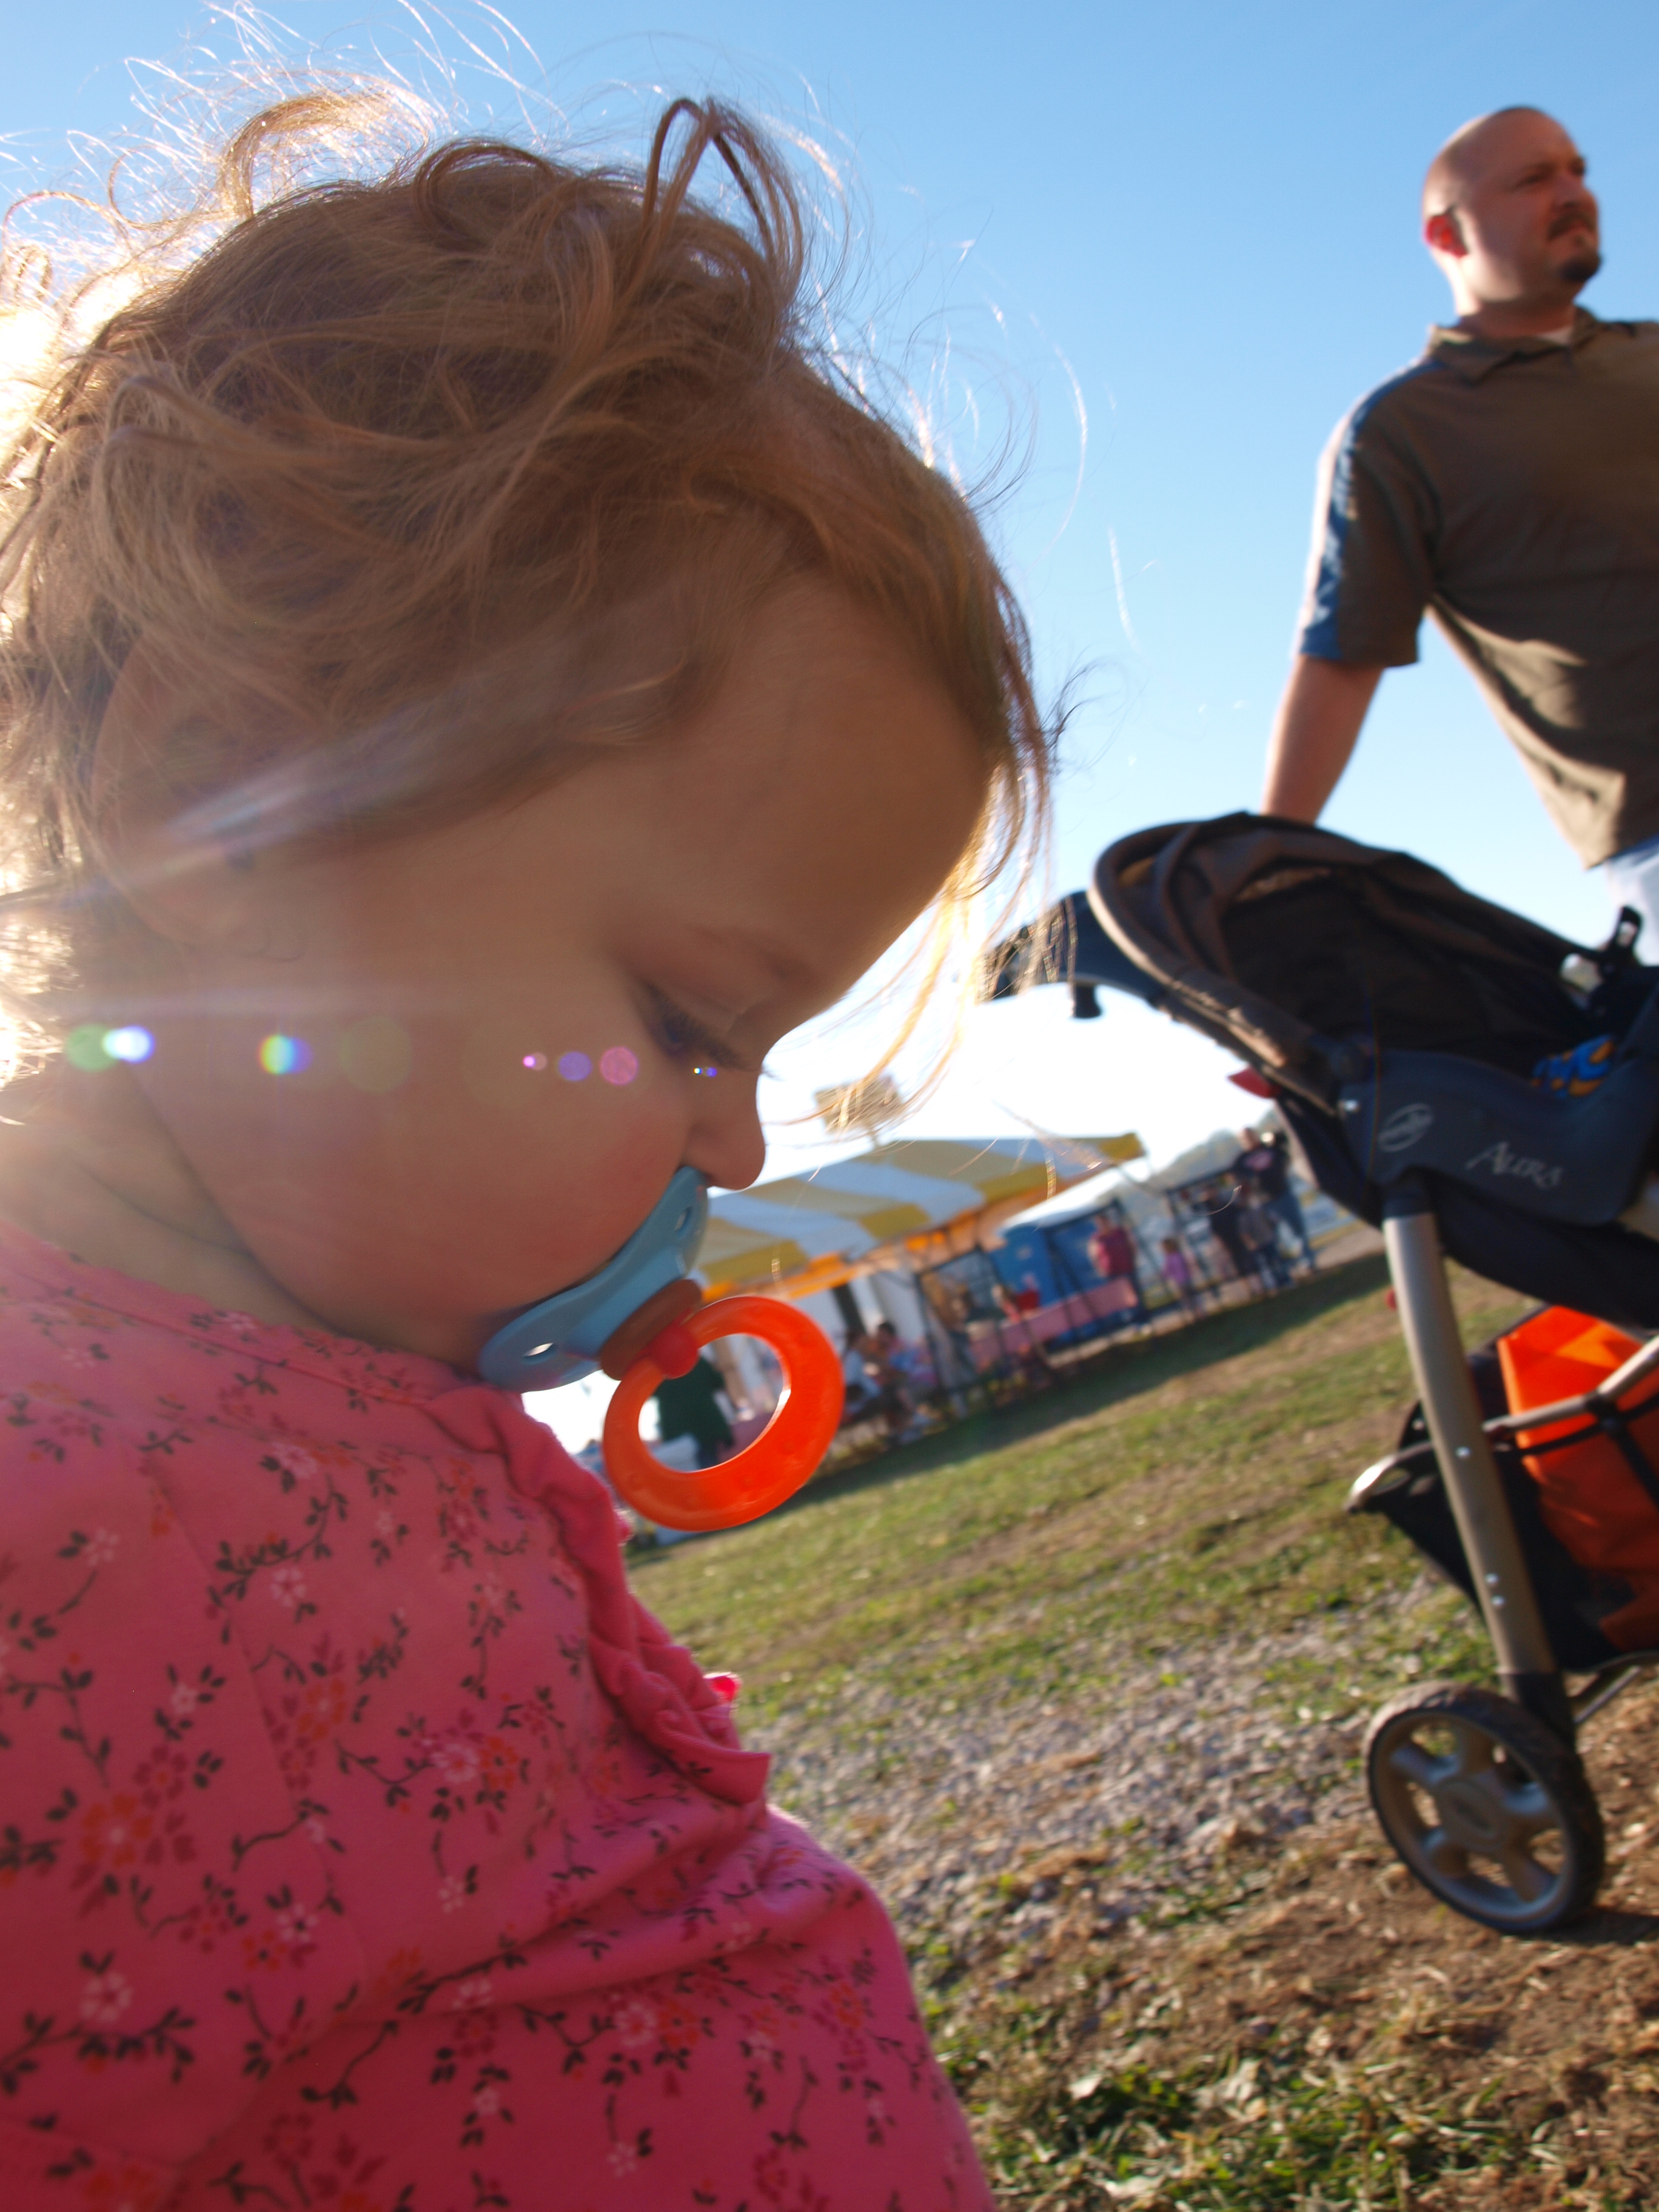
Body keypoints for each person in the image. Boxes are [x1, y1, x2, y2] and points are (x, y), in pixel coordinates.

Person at [0, 79, 1053, 2211]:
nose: (733, 1140)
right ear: (220, 805)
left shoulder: (326, 1362)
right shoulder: (53, 1516)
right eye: (686, 1020)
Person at [1261, 107, 1659, 950]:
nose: (1574, 192)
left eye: (1579, 169)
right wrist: (1260, 875)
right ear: (1447, 234)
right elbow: (1343, 659)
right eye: (1535, 179)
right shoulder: (1403, 432)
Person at [1231, 1125, 1317, 1272]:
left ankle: (1307, 1261)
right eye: (1246, 1138)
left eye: (1251, 1135)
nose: (1250, 1139)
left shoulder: (1271, 1148)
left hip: (1283, 1194)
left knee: (1298, 1229)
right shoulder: (1241, 1160)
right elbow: (1238, 1179)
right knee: (1273, 1238)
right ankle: (1286, 1269)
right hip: (1263, 1202)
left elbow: (1285, 1156)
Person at [652, 1350, 735, 1468]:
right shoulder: (696, 1360)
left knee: (688, 1468)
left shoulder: (658, 1368)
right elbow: (717, 1382)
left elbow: (648, 1392)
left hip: (677, 1429)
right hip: (706, 1422)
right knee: (711, 1462)